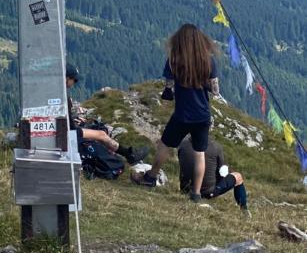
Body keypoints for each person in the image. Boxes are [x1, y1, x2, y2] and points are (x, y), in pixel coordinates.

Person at [131, 24, 220, 202]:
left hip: (182, 114)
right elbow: (215, 90)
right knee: (199, 152)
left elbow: (168, 89)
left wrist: (171, 91)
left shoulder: (174, 60)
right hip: (202, 115)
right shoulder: (208, 61)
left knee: (165, 144)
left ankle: (150, 177)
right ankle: (195, 193)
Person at [66, 63, 148, 165]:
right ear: (67, 79)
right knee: (101, 134)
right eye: (74, 80)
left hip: (57, 133)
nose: (75, 82)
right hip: (68, 135)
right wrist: (76, 124)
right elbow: (70, 128)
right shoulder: (65, 98)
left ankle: (123, 153)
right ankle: (129, 155)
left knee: (94, 131)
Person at [178, 136, 249, 212]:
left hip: (185, 189)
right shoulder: (215, 146)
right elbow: (223, 172)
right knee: (238, 176)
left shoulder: (183, 143)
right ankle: (244, 210)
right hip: (207, 192)